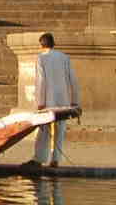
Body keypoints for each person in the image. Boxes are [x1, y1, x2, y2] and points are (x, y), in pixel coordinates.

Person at [27, 32, 81, 168]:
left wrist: (40, 102)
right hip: (63, 100)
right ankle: (55, 159)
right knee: (60, 130)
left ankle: (40, 158)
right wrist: (75, 100)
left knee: (44, 130)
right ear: (53, 43)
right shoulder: (64, 57)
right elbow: (73, 80)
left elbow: (40, 81)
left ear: (41, 45)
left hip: (47, 101)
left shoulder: (41, 58)